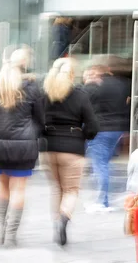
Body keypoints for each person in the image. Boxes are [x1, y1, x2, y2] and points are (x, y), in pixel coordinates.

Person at [0, 49, 46, 247]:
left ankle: (0, 231)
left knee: (2, 186)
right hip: (24, 146)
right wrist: (36, 136)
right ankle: (11, 235)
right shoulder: (32, 89)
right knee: (19, 188)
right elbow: (40, 119)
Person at [41, 58, 99, 246]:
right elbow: (92, 125)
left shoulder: (46, 95)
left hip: (49, 148)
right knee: (71, 190)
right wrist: (84, 136)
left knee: (56, 189)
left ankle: (56, 223)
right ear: (72, 76)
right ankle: (64, 219)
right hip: (73, 148)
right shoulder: (79, 95)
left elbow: (37, 121)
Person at [86, 65, 131, 212]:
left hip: (100, 129)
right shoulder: (122, 85)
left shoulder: (96, 86)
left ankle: (102, 201)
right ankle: (105, 198)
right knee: (104, 163)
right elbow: (128, 104)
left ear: (98, 73)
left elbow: (87, 106)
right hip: (117, 129)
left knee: (100, 165)